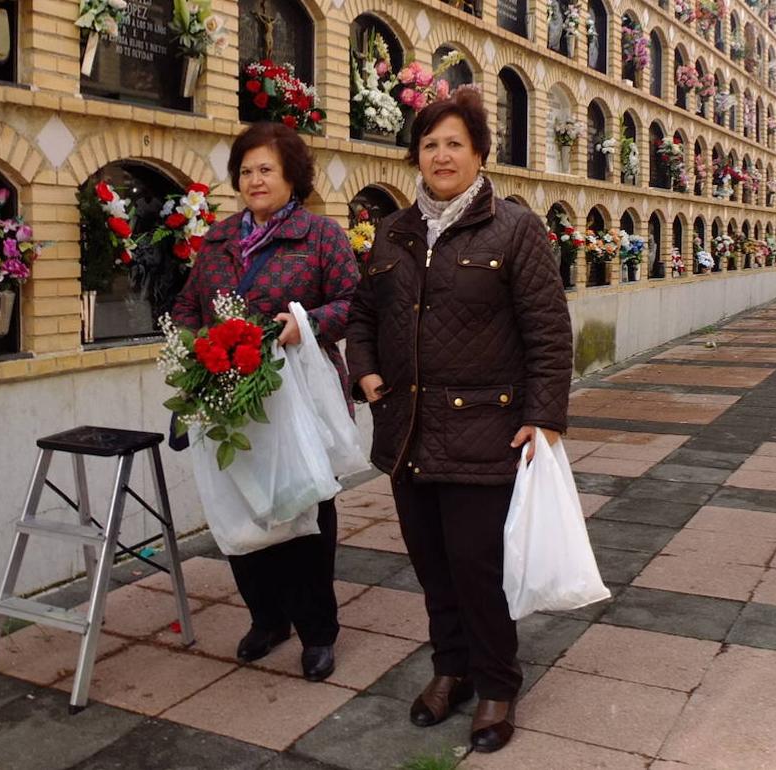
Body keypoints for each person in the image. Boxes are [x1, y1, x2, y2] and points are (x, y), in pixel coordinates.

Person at [345, 88, 573, 753]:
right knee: (431, 566)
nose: (441, 155)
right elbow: (363, 314)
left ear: (478, 152)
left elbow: (549, 334)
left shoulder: (515, 229)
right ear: (415, 154)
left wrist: (545, 418)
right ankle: (452, 670)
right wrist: (363, 371)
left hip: (484, 432)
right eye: (429, 144)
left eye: (454, 143)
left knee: (476, 568)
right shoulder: (392, 232)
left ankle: (498, 681)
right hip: (407, 432)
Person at [171, 121, 359, 682]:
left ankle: (317, 632)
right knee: (242, 506)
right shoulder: (219, 240)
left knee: (304, 512)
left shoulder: (321, 236)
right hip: (232, 400)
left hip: (300, 400)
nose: (255, 180)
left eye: (266, 170)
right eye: (246, 171)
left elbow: (357, 303)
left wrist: (308, 325)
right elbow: (186, 304)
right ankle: (267, 618)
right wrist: (192, 347)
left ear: (292, 177)